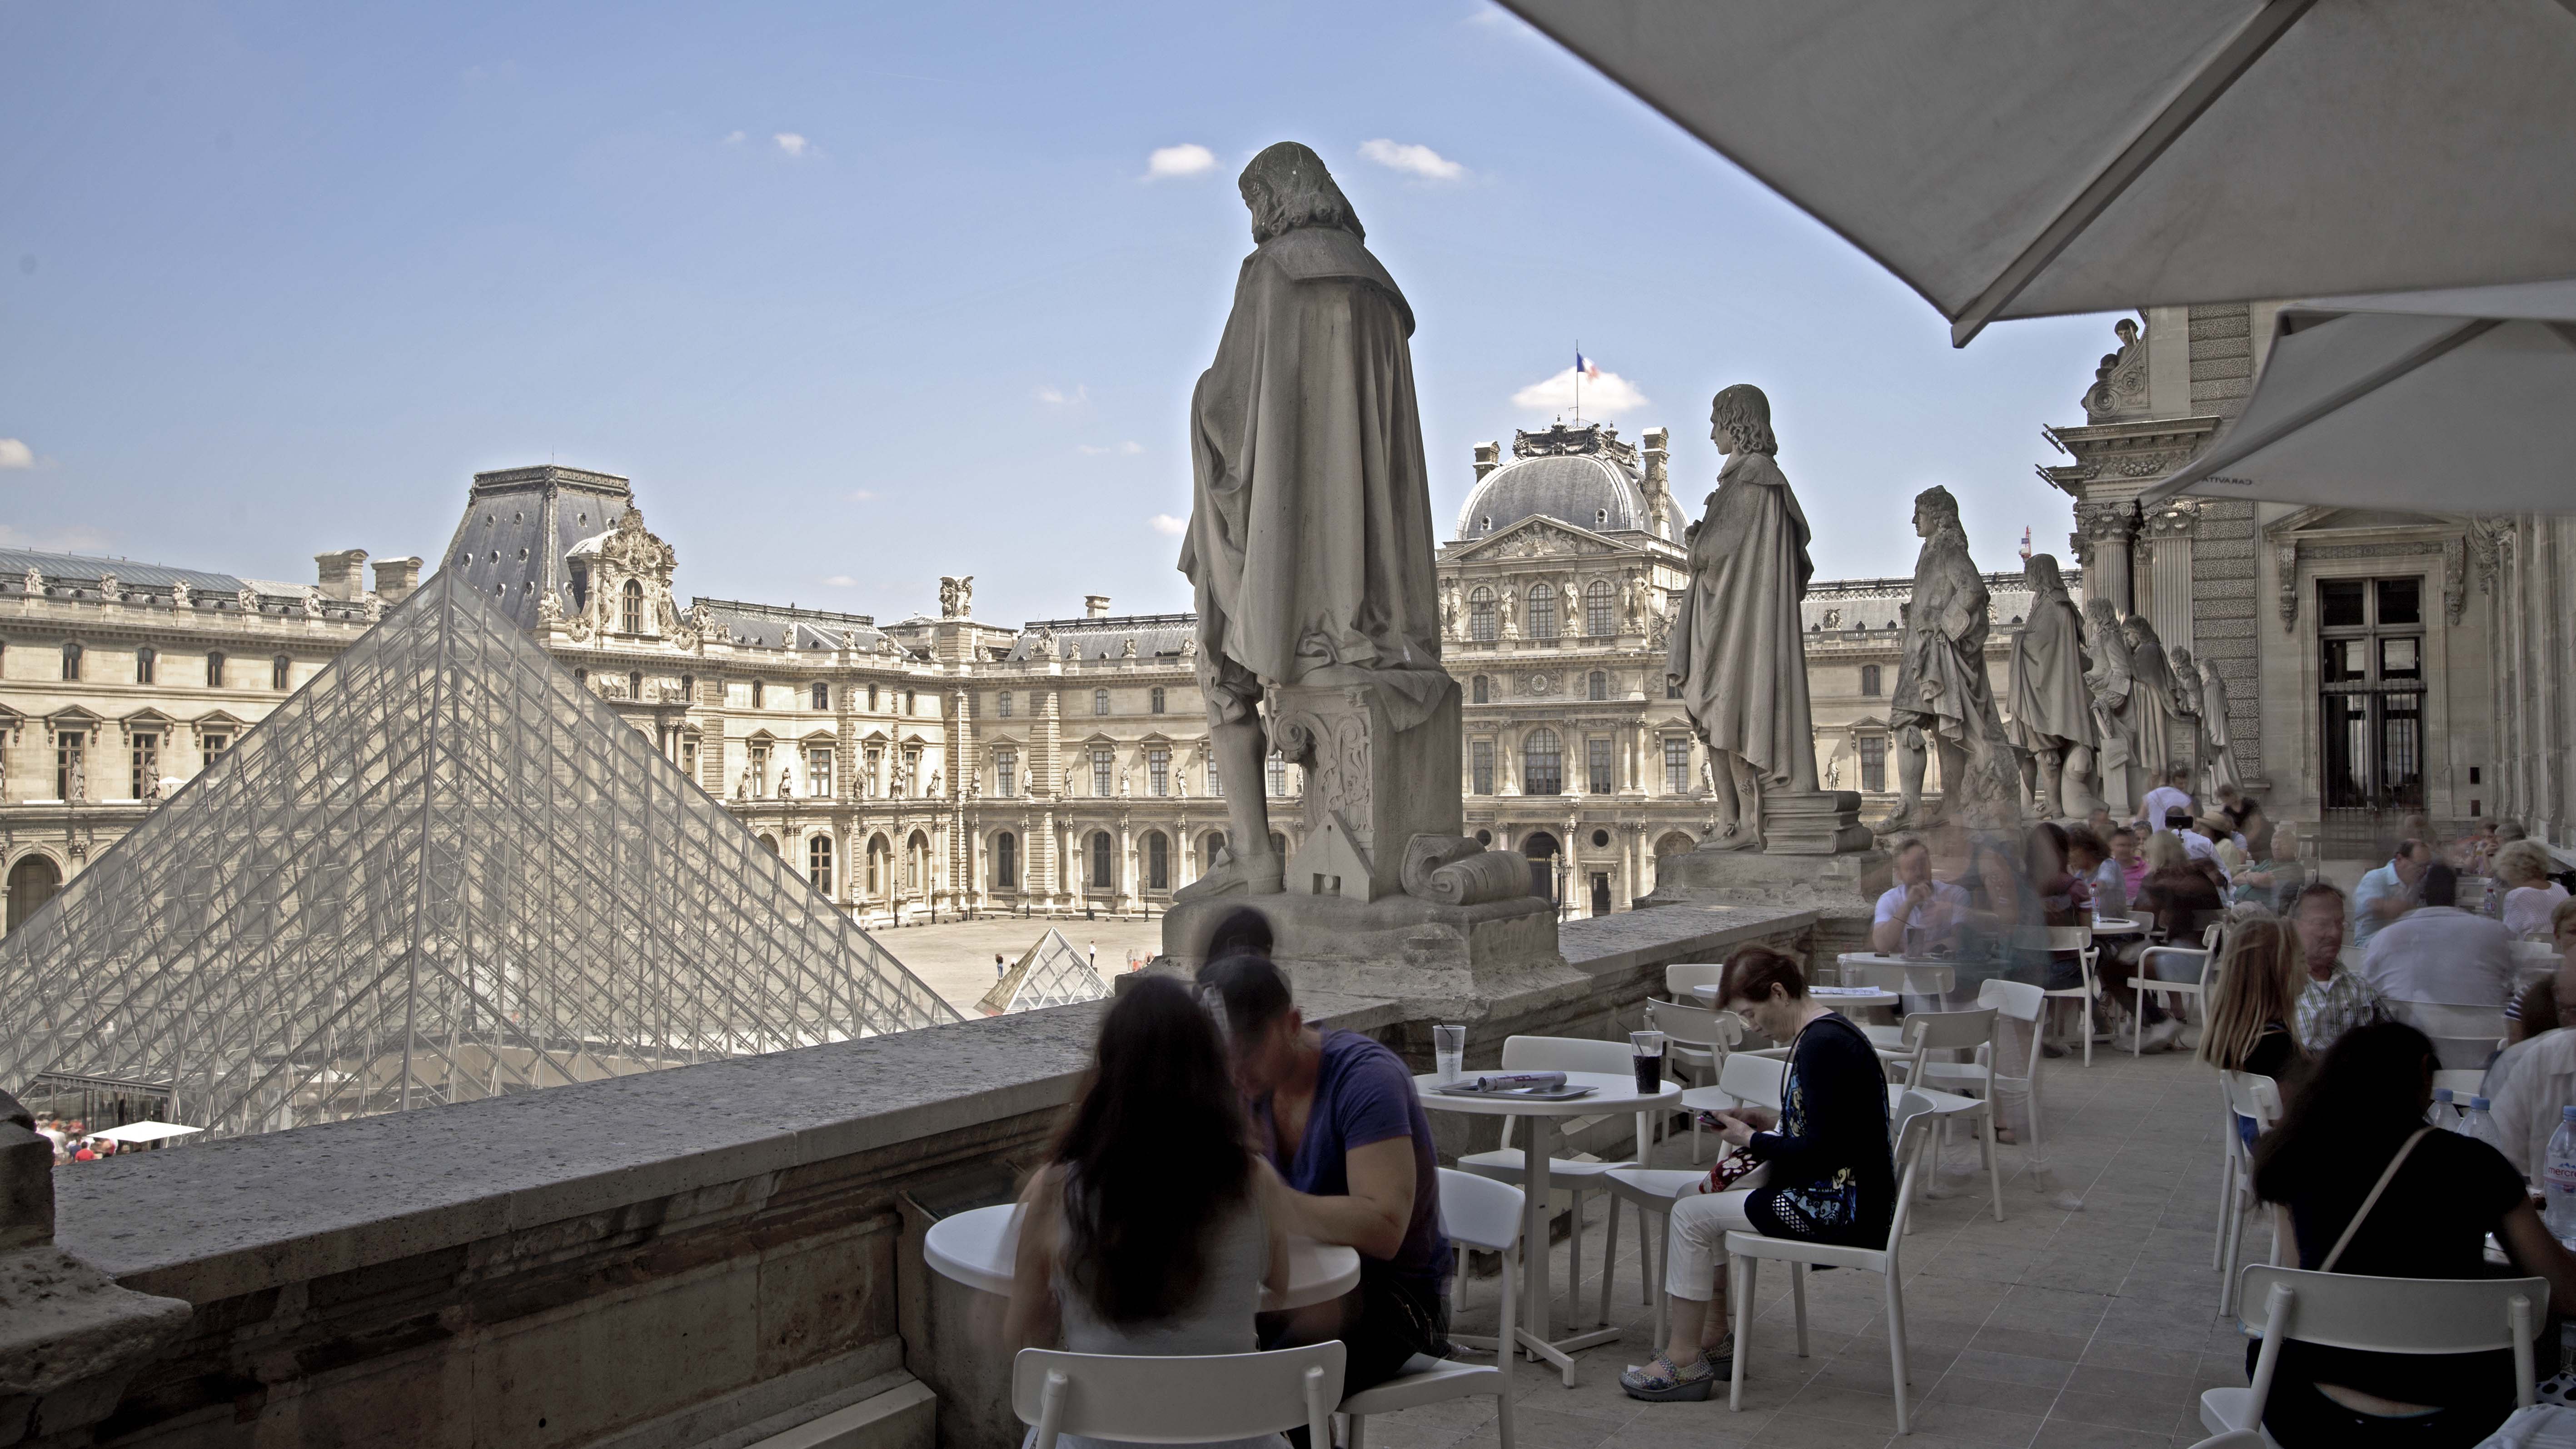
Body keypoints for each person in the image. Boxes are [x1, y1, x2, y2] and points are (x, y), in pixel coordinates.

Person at [1176, 142, 1443, 900]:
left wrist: (1198, 402)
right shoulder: (1379, 290)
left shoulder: (1273, 272)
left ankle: (1254, 853)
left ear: (1275, 198)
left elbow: (1230, 405)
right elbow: (1373, 443)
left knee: (1218, 664)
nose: (1254, 219)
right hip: (1383, 594)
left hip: (1294, 550)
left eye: (1254, 201)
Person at [2249, 1022, 2576, 1446]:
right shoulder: (2477, 1165)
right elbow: (2567, 1293)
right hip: (2457, 1424)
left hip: (2310, 1418)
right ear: (2424, 1071)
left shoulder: (2294, 1154)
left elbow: (2304, 1286)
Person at [1006, 975, 1293, 1449]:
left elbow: (1021, 1331)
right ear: (1211, 1071)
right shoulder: (1255, 1182)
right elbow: (1280, 1286)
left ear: (1106, 1072)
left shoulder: (1057, 1190)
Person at [1621, 946, 1894, 1402]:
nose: (1751, 1026)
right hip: (1849, 1196)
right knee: (1694, 1193)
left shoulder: (1821, 1046)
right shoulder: (1829, 1033)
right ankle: (1714, 1337)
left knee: (1690, 1215)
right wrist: (1768, 1122)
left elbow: (1816, 1154)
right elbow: (1828, 1130)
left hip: (1837, 1209)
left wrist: (1748, 1140)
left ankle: (1683, 1360)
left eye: (1750, 1013)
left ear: (1779, 993)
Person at [1197, 952, 1450, 1397]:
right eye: (1224, 1060)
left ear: (1293, 1024)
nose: (1236, 1072)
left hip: (1400, 1304)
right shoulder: (1243, 1087)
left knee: (1264, 1378)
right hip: (1299, 1289)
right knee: (1198, 1348)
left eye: (1249, 1053)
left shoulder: (1366, 1080)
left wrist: (1270, 1198)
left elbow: (1385, 1226)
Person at [2196, 911, 2308, 1147]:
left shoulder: (2242, 1038)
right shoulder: (2276, 1046)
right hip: (2284, 1159)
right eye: (2302, 960)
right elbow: (2292, 1122)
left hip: (2259, 1144)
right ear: (2279, 971)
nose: (2308, 970)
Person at [2116, 832, 2223, 1051]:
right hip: (2206, 958)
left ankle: (2157, 1022)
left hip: (2186, 959)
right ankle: (2154, 1020)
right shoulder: (2198, 875)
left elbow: (2144, 921)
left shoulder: (2159, 880)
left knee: (2115, 969)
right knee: (2134, 960)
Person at [2357, 863, 2515, 1008]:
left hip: (2408, 1036)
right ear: (2457, 894)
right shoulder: (2495, 932)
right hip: (2486, 1037)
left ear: (2422, 894)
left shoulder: (2385, 937)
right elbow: (2514, 980)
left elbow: (2368, 990)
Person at [2290, 881, 2392, 1055]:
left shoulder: (2360, 987)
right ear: (2295, 926)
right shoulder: (2278, 987)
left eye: (2340, 924)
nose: (2335, 933)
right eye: (2321, 924)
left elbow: (2395, 1046)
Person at [1869, 837, 1968, 955]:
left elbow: (1962, 941)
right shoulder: (1889, 900)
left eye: (1923, 866)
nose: (1919, 873)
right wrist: (1908, 905)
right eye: (1911, 868)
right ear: (1899, 874)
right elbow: (1882, 945)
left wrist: (1919, 948)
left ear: (1930, 865)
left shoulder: (1955, 895)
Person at [2351, 839, 2432, 948]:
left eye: (2427, 866)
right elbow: (2375, 908)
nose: (2424, 871)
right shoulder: (2376, 878)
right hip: (2369, 944)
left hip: (2403, 940)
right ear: (2400, 859)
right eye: (2419, 866)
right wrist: (2413, 910)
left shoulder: (2417, 883)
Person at [2496, 838, 2571, 941]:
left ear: (2510, 868)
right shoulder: (2559, 888)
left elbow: (2507, 936)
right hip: (2563, 950)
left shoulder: (2517, 896)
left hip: (2535, 952)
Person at [2139, 762, 2193, 838]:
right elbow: (2192, 824)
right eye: (2181, 784)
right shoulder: (2185, 799)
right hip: (2176, 839)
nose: (2184, 787)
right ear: (2172, 782)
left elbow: (2139, 820)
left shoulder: (2150, 796)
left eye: (2185, 783)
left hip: (2155, 838)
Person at [2107, 826, 2147, 902]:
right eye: (2121, 845)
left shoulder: (2146, 870)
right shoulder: (2107, 869)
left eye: (2129, 845)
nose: (2125, 849)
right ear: (2112, 846)